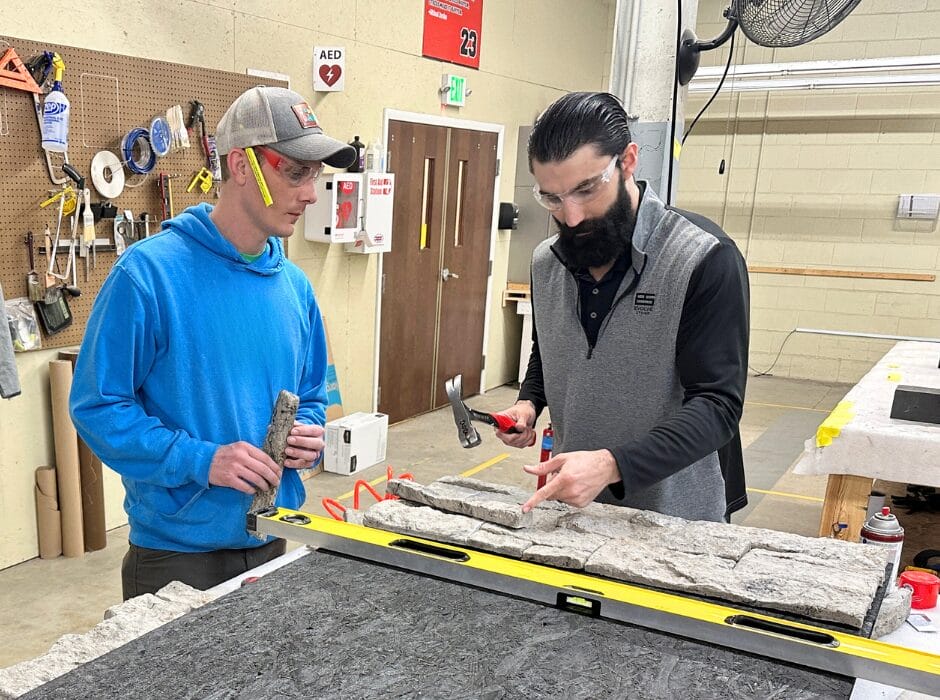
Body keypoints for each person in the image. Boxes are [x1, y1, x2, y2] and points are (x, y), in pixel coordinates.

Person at [70, 86, 356, 599]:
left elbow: (312, 396)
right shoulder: (148, 276)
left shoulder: (295, 289)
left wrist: (310, 433)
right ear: (241, 165)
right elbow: (98, 406)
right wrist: (201, 460)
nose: (312, 194)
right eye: (294, 172)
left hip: (274, 536)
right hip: (175, 559)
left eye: (315, 175)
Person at [497, 91, 749, 523]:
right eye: (552, 199)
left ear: (628, 161)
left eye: (586, 189)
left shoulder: (703, 257)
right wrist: (529, 402)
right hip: (576, 506)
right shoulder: (546, 262)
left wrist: (612, 465)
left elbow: (717, 405)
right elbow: (551, 351)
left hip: (677, 514)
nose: (571, 217)